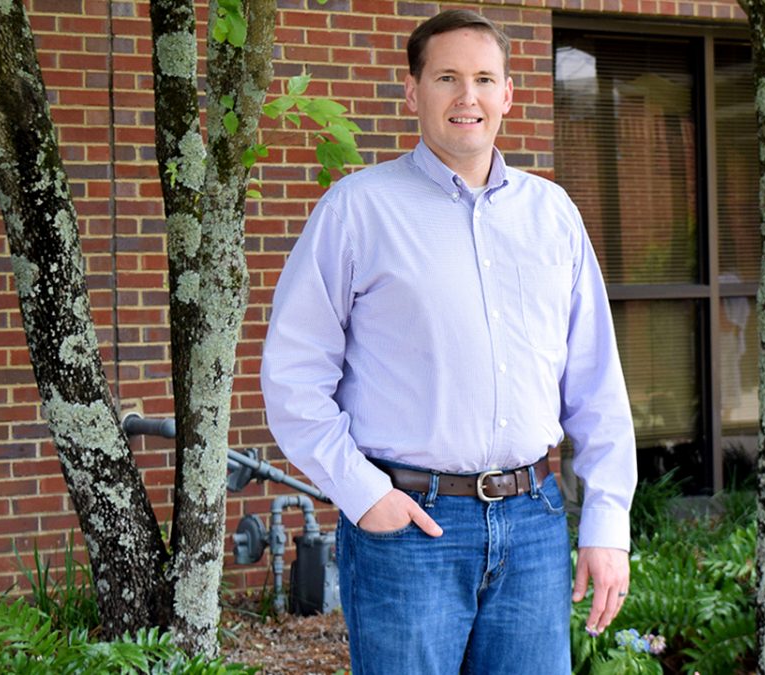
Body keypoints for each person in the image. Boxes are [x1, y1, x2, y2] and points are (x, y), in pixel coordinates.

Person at [260, 9, 636, 674]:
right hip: (410, 530)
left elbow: (596, 384)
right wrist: (362, 493)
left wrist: (607, 524)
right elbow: (293, 375)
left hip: (534, 525)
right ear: (413, 91)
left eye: (485, 78)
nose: (469, 96)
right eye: (447, 78)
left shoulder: (553, 215)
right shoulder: (356, 211)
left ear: (507, 96)